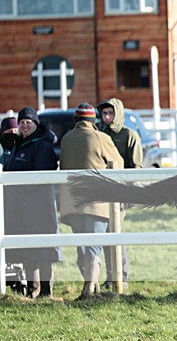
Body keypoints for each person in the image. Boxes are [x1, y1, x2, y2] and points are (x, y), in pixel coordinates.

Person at [59, 103, 123, 300]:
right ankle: (89, 289)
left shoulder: (66, 139)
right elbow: (118, 165)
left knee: (82, 245)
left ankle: (92, 287)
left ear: (76, 120)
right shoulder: (101, 138)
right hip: (96, 202)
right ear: (93, 121)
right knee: (94, 245)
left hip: (72, 202)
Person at [3, 107, 62, 299]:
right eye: (22, 122)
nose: (25, 125)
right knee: (27, 249)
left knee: (43, 248)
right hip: (21, 208)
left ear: (36, 124)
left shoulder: (42, 146)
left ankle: (45, 290)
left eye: (29, 122)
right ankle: (32, 288)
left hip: (39, 207)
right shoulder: (19, 145)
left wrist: (20, 191)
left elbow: (41, 176)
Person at [97, 98, 143, 290]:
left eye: (111, 113)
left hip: (122, 194)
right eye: (104, 114)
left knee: (114, 233)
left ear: (118, 113)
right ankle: (111, 277)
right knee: (106, 234)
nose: (107, 117)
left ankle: (120, 276)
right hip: (102, 193)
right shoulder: (100, 135)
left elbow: (136, 167)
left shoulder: (129, 136)